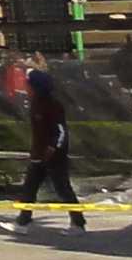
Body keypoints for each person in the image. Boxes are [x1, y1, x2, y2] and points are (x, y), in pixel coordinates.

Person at [10, 65, 85, 232]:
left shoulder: (53, 105)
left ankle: (78, 224)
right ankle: (23, 222)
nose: (26, 87)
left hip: (55, 157)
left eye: (28, 84)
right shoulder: (35, 104)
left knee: (63, 189)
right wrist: (36, 153)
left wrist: (52, 149)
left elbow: (61, 131)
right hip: (38, 156)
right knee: (29, 188)